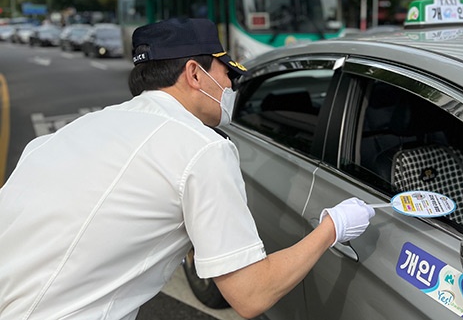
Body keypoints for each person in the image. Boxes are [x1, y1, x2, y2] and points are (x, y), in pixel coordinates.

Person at [0, 18, 375, 320]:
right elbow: (250, 295)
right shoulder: (201, 149)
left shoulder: (77, 130)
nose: (231, 86)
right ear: (195, 74)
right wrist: (333, 228)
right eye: (228, 73)